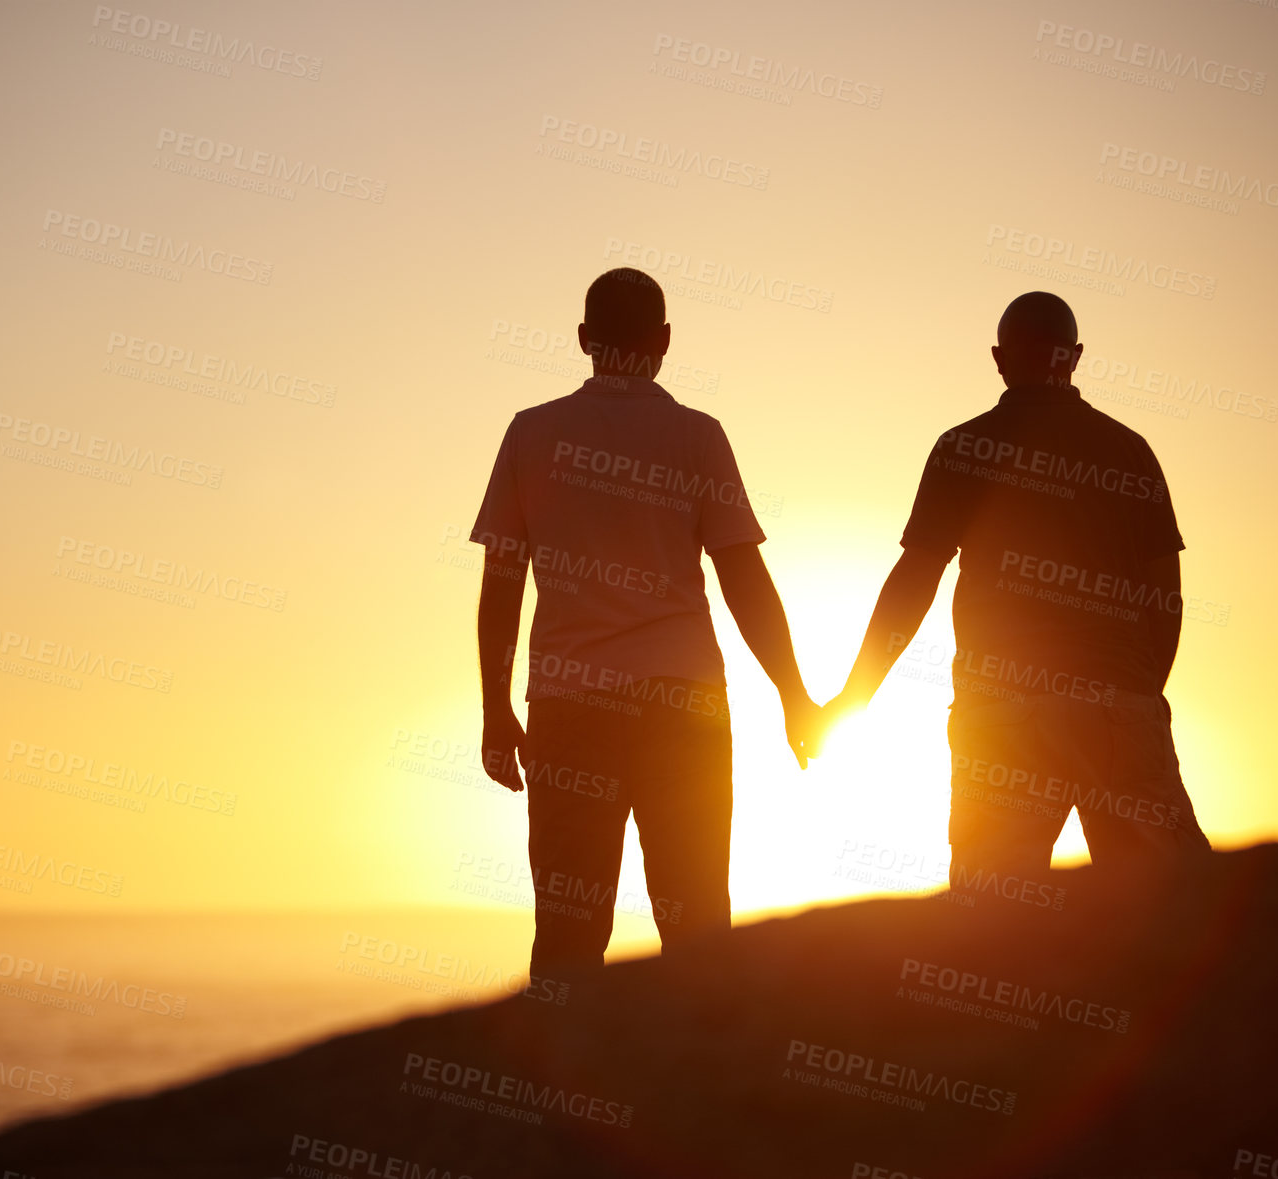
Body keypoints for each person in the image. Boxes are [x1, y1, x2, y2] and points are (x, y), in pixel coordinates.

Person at [471, 268, 820, 981]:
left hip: (571, 708)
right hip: (683, 707)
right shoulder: (697, 437)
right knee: (696, 923)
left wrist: (495, 707)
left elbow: (503, 581)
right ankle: (700, 1085)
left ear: (582, 340)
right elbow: (742, 578)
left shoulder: (531, 433)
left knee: (568, 931)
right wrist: (793, 692)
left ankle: (558, 1089)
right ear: (664, 341)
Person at [817, 291, 1209, 886]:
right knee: (1165, 907)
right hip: (1116, 704)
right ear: (1074, 357)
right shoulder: (1129, 451)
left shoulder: (964, 448)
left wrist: (854, 697)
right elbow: (1167, 594)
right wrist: (1138, 695)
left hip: (1003, 713)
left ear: (1000, 359)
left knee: (991, 921)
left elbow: (914, 582)